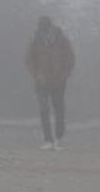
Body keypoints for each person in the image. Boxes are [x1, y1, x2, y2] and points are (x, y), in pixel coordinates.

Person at [25, 15, 75, 150]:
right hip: (41, 81)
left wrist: (64, 75)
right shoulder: (35, 40)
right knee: (44, 109)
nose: (44, 31)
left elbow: (70, 59)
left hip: (59, 81)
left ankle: (59, 138)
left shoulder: (62, 40)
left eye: (45, 28)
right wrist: (36, 74)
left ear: (50, 27)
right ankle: (48, 139)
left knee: (59, 109)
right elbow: (29, 60)